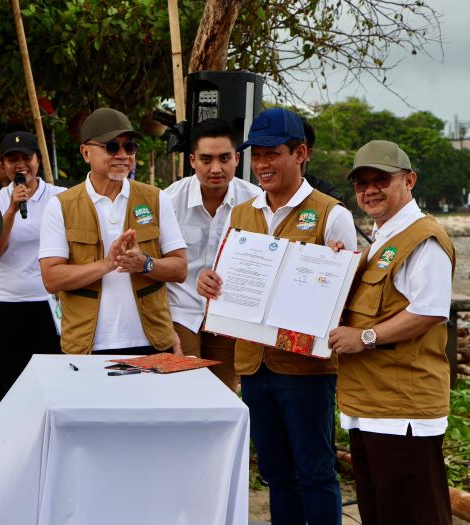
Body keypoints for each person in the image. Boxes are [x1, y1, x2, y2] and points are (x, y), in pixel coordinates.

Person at [197, 108, 357, 525]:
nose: (263, 165)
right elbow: (224, 276)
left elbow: (350, 298)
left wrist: (337, 274)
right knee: (275, 474)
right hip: (252, 363)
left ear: (300, 153)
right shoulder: (242, 213)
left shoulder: (331, 214)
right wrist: (210, 282)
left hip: (305, 368)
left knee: (316, 471)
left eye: (273, 155)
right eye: (257, 156)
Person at [328, 140, 455, 525]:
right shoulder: (383, 236)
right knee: (381, 513)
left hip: (402, 410)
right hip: (369, 406)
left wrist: (364, 338)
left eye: (381, 180)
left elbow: (429, 311)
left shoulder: (423, 238)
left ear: (409, 180)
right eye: (361, 182)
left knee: (413, 515)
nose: (370, 190)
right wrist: (336, 267)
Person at [39, 107, 187, 355]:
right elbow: (51, 279)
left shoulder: (154, 198)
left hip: (152, 341)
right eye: (111, 146)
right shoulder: (60, 206)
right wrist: (107, 264)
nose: (122, 155)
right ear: (86, 152)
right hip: (87, 346)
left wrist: (145, 264)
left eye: (129, 147)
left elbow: (180, 268)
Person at [164, 118, 261, 390]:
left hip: (228, 314)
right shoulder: (169, 200)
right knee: (182, 392)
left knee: (222, 394)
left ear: (237, 159)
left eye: (224, 158)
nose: (215, 168)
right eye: (206, 159)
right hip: (180, 312)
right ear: (192, 160)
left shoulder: (256, 202)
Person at [0, 131, 65, 406]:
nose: (20, 165)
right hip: (7, 301)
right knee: (12, 381)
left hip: (50, 302)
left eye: (26, 157)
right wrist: (12, 210)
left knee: (54, 378)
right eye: (12, 159)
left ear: (38, 159)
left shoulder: (60, 198)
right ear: (2, 164)